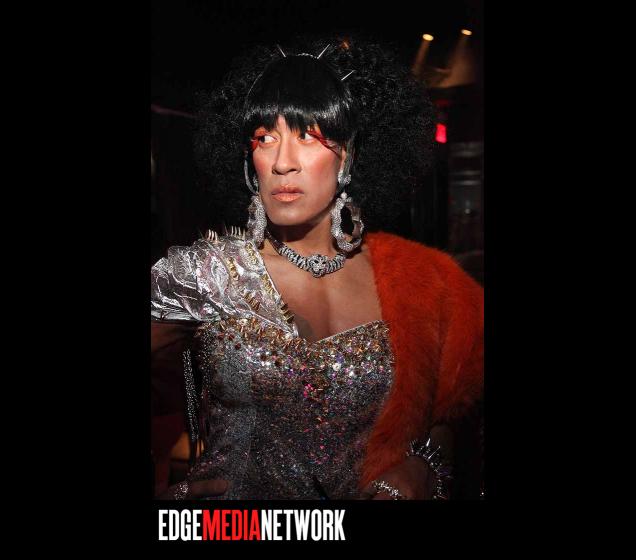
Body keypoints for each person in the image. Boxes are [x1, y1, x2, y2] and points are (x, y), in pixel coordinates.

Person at [151, 35, 483, 500]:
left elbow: (452, 411)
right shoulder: (205, 275)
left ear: (347, 156)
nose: (283, 163)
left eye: (308, 137)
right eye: (265, 138)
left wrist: (423, 467)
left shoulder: (415, 282)